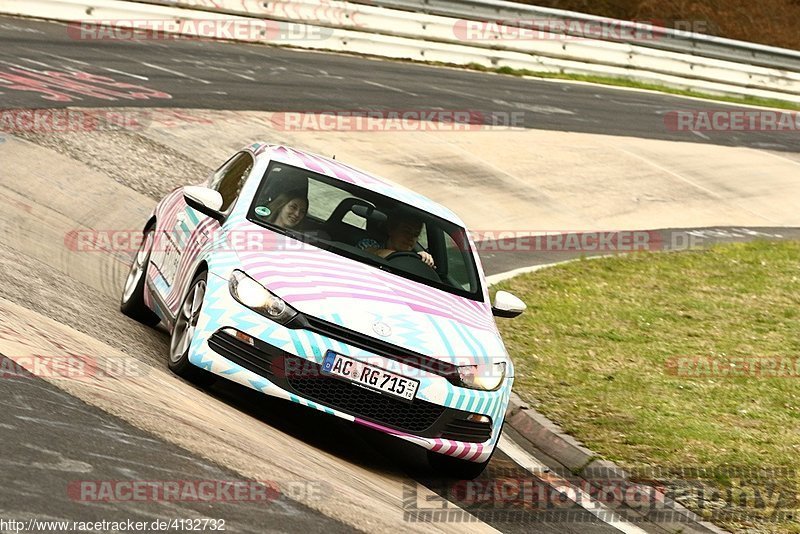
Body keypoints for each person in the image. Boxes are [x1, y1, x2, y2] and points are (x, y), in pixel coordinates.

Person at [358, 210, 435, 268]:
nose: (411, 238)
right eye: (406, 232)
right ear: (391, 230)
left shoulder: (416, 256)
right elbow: (372, 253)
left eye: (415, 234)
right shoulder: (369, 243)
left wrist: (424, 259)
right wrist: (411, 259)